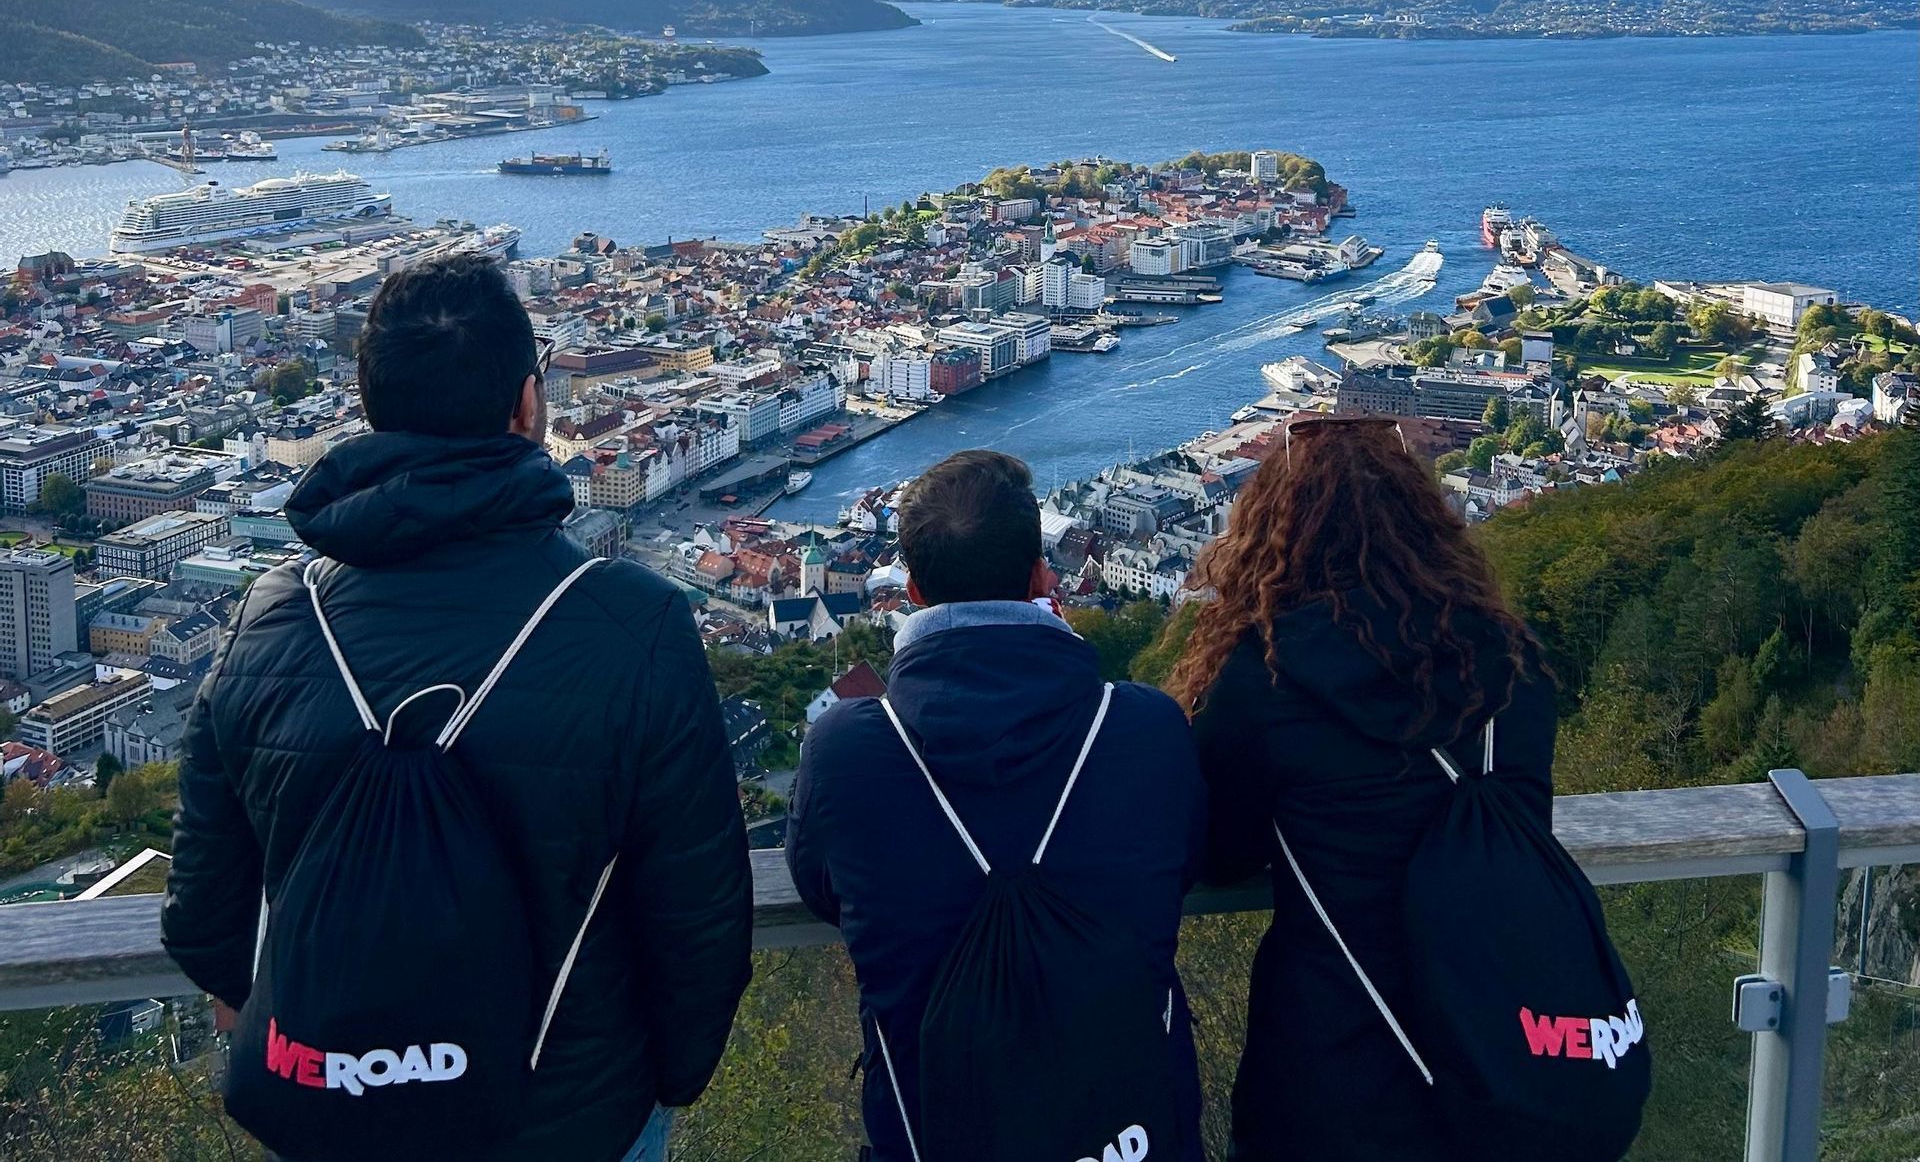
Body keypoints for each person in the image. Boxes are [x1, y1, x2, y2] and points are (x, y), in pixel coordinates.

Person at [162, 252, 751, 1162]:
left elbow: (205, 910)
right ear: (528, 406)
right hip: (567, 1116)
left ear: (370, 407)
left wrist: (303, 1043)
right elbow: (700, 919)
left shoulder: (271, 619)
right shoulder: (637, 627)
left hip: (329, 1112)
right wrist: (659, 1088)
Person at [787, 449, 1207, 1162]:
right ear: (1042, 579)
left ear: (912, 590)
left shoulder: (847, 754)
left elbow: (820, 887)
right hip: (1126, 1128)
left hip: (932, 1124)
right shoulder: (1144, 730)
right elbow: (1188, 862)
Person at [1173, 417, 1558, 1161]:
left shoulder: (1264, 679)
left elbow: (1219, 853)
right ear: (1428, 521)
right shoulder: (1513, 666)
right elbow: (1522, 818)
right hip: (1501, 1044)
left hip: (1334, 1056)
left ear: (1273, 531)